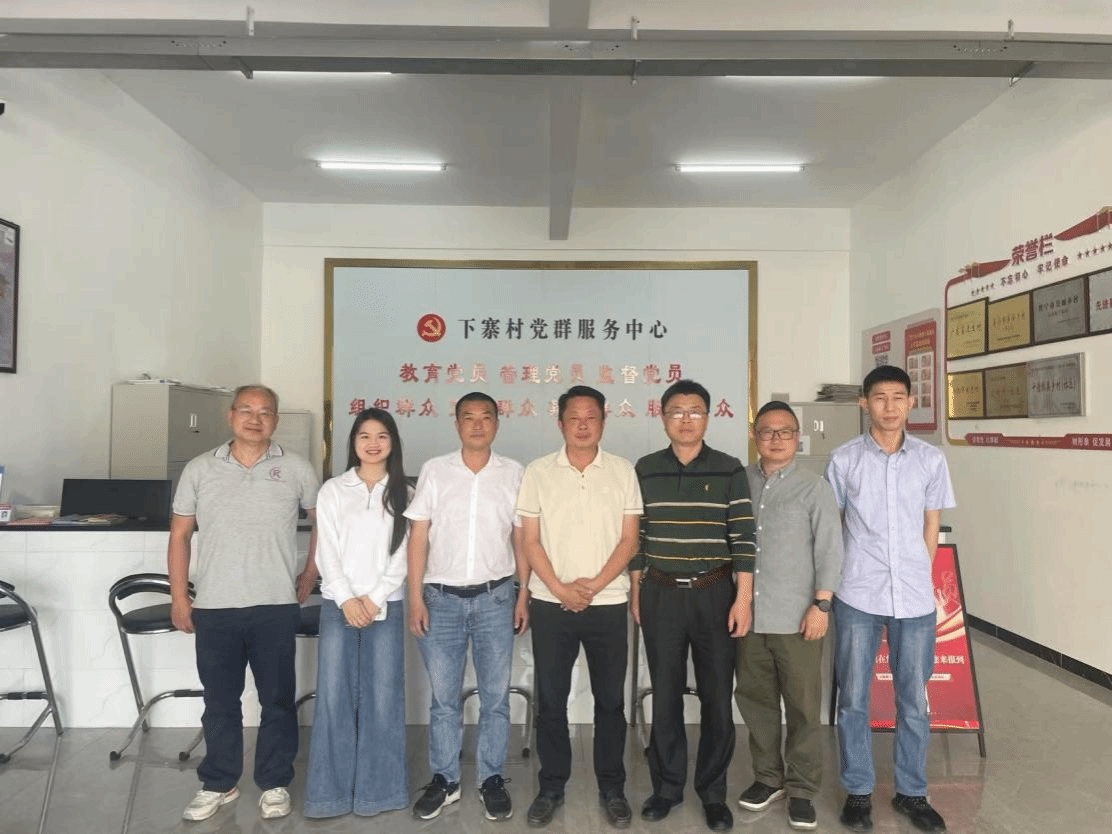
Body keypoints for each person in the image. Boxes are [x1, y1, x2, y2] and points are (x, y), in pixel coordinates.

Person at [168, 384, 319, 822]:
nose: (256, 419)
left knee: (277, 700)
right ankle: (219, 782)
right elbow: (179, 535)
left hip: (275, 603)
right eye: (247, 411)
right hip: (215, 604)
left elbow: (323, 525)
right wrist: (179, 597)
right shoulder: (200, 469)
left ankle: (274, 782)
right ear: (231, 416)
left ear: (276, 420)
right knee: (220, 701)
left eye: (265, 412)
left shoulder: (296, 468)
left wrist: (309, 572)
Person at [826, 366, 955, 834]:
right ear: (864, 403)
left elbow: (931, 524)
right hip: (858, 592)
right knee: (853, 698)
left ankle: (912, 792)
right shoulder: (844, 459)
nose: (890, 406)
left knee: (913, 700)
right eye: (880, 397)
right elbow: (833, 525)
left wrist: (919, 571)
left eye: (898, 397)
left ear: (910, 402)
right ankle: (858, 790)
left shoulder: (930, 459)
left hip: (915, 598)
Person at [630, 379, 756, 834]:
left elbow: (743, 538)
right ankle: (666, 788)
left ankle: (713, 793)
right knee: (664, 696)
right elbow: (637, 535)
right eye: (677, 411)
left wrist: (743, 599)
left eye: (695, 411)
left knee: (717, 698)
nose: (686, 419)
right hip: (660, 593)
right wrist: (636, 590)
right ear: (662, 417)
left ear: (708, 416)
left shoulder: (729, 468)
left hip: (715, 593)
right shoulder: (645, 469)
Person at [515, 385, 643, 829]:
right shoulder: (538, 472)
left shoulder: (623, 471)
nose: (583, 425)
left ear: (604, 421)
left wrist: (593, 586)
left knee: (610, 702)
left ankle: (612, 788)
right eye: (574, 418)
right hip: (551, 604)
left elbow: (629, 540)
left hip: (607, 603)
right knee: (551, 701)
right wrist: (559, 588)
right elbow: (530, 541)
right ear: (560, 423)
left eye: (591, 417)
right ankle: (551, 786)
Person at [405, 392, 529, 822]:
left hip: (496, 598)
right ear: (456, 423)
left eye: (486, 417)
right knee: (444, 701)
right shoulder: (435, 470)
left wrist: (524, 593)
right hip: (440, 600)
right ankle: (446, 780)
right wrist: (415, 597)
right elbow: (419, 536)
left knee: (495, 698)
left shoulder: (513, 472)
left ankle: (491, 778)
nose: (477, 425)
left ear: (497, 423)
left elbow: (521, 538)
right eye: (469, 418)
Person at [734, 401, 843, 831]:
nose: (776, 438)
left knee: (802, 707)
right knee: (756, 703)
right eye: (767, 431)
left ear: (797, 438)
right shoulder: (739, 482)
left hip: (799, 618)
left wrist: (822, 605)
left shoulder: (815, 488)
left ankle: (801, 789)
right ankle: (768, 778)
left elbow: (830, 550)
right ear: (754, 435)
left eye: (785, 431)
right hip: (749, 616)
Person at [303, 408, 410, 818]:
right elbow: (325, 549)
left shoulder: (405, 493)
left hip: (387, 605)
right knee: (334, 697)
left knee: (383, 699)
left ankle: (379, 794)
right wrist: (348, 599)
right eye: (364, 435)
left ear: (393, 443)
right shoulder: (334, 490)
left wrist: (375, 597)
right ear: (353, 442)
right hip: (338, 606)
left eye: (382, 435)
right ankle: (327, 797)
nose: (373, 443)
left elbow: (404, 554)